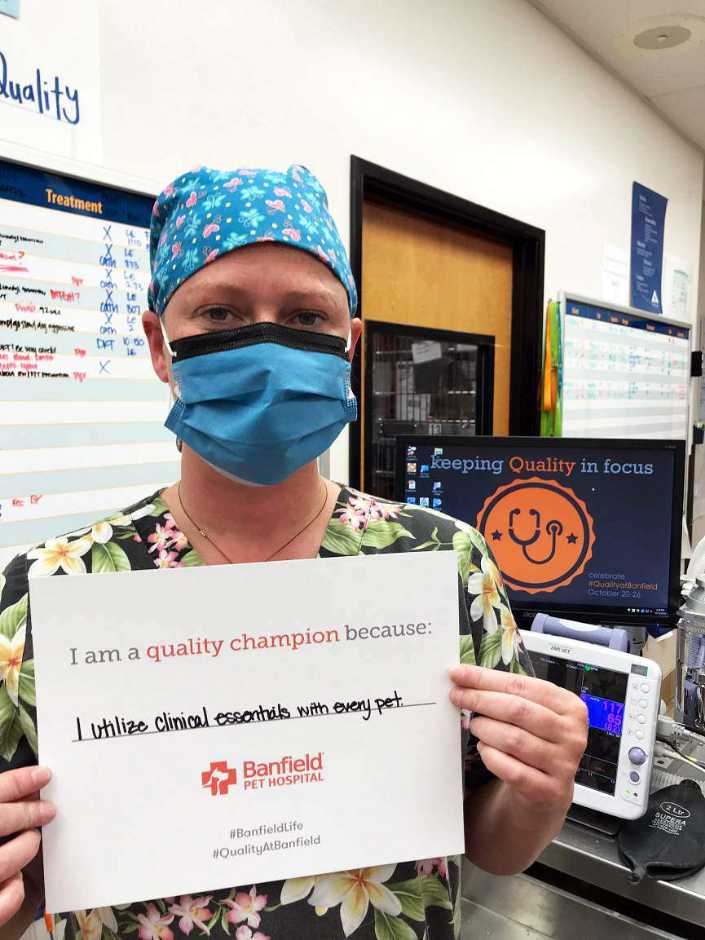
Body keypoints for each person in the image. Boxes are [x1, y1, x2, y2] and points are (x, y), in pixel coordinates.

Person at [0, 165, 588, 940]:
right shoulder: (48, 594)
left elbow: (492, 846)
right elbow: (32, 888)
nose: (270, 345)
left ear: (349, 346)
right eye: (220, 311)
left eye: (307, 318)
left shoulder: (441, 565)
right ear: (159, 345)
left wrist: (540, 793)